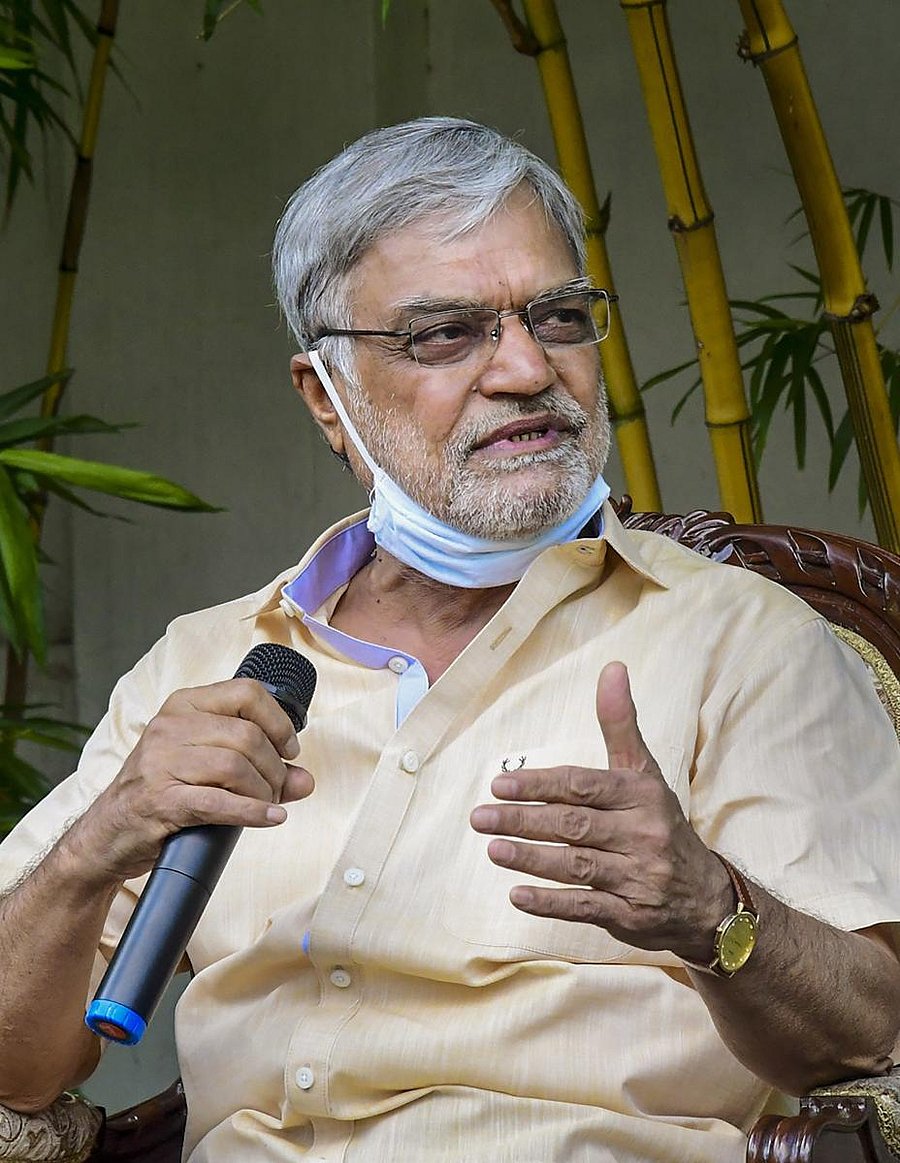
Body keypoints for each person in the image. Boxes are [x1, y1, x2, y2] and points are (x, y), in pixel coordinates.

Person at [0, 117, 898, 1163]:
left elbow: (875, 1033)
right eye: (445, 333)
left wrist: (715, 912)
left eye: (559, 317)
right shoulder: (205, 664)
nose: (527, 368)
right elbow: (16, 1072)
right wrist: (99, 840)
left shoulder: (740, 640)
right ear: (326, 400)